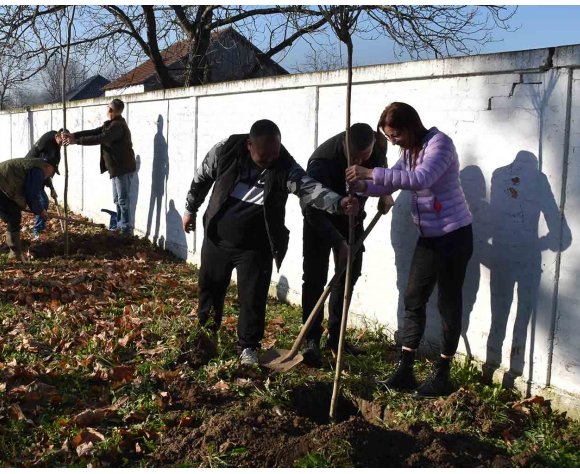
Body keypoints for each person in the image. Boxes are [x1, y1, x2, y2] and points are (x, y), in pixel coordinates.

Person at [182, 119, 359, 367]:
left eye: (274, 153)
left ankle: (249, 348)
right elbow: (202, 177)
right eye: (264, 155)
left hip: (257, 246)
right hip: (217, 240)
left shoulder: (284, 165)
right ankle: (205, 339)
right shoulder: (226, 150)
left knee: (253, 298)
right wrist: (190, 208)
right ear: (249, 145)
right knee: (210, 291)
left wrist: (338, 203)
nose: (270, 160)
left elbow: (309, 189)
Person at [346, 102, 473, 397]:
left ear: (410, 127)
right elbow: (390, 183)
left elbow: (420, 180)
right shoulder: (409, 151)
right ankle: (406, 368)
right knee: (414, 297)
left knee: (448, 302)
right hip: (429, 237)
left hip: (454, 236)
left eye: (395, 136)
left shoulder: (440, 144)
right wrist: (361, 186)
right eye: (389, 138)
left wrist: (370, 173)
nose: (393, 142)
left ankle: (442, 374)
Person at [300, 123, 393, 368]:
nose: (360, 161)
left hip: (352, 220)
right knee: (315, 278)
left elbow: (382, 171)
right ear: (344, 143)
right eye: (355, 157)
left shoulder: (376, 149)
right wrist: (339, 243)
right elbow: (312, 211)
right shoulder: (322, 161)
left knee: (349, 274)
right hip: (320, 220)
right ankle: (311, 340)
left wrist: (385, 194)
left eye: (365, 157)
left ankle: (335, 337)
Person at [65, 98, 136, 235]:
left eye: (108, 108)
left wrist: (76, 141)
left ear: (111, 110)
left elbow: (99, 138)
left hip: (122, 168)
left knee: (123, 200)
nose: (106, 110)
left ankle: (126, 230)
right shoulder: (111, 124)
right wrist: (74, 135)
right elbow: (94, 132)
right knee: (117, 199)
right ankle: (121, 226)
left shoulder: (117, 127)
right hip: (116, 168)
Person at [0, 153, 60, 260]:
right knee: (14, 216)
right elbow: (31, 193)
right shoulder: (38, 170)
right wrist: (40, 211)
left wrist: (51, 188)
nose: (51, 175)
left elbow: (37, 183)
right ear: (49, 166)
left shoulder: (36, 165)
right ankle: (15, 254)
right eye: (53, 172)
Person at [26, 130, 65, 240]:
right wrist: (51, 187)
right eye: (62, 140)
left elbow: (48, 171)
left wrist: (52, 188)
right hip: (31, 175)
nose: (63, 143)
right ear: (57, 136)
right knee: (43, 202)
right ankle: (36, 231)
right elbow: (44, 170)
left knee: (43, 202)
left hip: (37, 175)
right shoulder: (47, 146)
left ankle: (40, 228)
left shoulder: (55, 148)